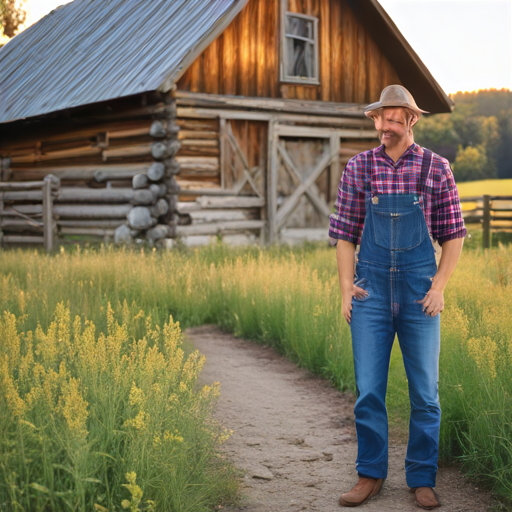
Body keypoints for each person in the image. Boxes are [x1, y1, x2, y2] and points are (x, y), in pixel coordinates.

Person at [329, 85, 466, 509]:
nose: (383, 126)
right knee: (369, 390)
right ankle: (370, 475)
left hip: (418, 292)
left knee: (425, 393)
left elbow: (454, 234)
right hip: (369, 290)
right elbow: (345, 235)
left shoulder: (435, 168)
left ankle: (422, 478)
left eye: (392, 118)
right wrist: (345, 288)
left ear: (411, 119)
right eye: (379, 118)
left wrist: (439, 287)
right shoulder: (359, 167)